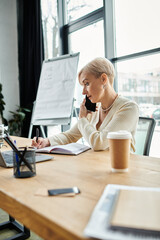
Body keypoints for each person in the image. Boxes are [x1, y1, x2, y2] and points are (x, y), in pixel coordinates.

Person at [32, 57, 139, 152]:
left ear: (103, 79)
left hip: (120, 170)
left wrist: (83, 118)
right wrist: (47, 141)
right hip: (97, 167)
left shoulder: (128, 108)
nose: (83, 92)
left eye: (87, 83)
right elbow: (71, 135)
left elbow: (99, 143)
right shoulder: (95, 109)